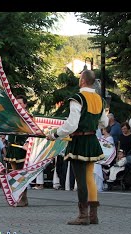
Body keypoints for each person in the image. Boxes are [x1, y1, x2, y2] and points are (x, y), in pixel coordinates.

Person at [46, 70, 109, 225]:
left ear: (82, 81)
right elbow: (105, 123)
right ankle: (93, 215)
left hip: (79, 140)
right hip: (92, 140)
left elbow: (72, 125)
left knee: (80, 180)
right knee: (89, 177)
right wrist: (91, 123)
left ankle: (83, 216)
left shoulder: (78, 98)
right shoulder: (100, 99)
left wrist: (54, 134)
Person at [5, 95, 30, 207]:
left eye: (20, 103)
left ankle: (23, 198)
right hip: (12, 147)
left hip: (21, 148)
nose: (18, 105)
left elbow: (31, 134)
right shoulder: (13, 116)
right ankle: (18, 196)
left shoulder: (28, 117)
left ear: (25, 104)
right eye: (17, 103)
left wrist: (27, 143)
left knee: (21, 174)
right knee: (14, 173)